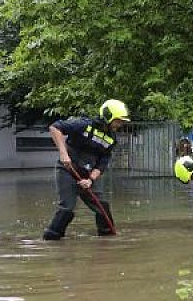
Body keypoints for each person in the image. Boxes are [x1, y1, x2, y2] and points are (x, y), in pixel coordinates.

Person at [42, 99, 131, 240]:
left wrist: (90, 180)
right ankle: (51, 239)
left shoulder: (112, 139)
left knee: (103, 207)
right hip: (68, 170)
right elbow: (55, 128)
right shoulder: (83, 124)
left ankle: (107, 240)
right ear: (109, 117)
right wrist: (63, 153)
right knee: (67, 208)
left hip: (87, 176)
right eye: (118, 121)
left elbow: (102, 162)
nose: (120, 124)